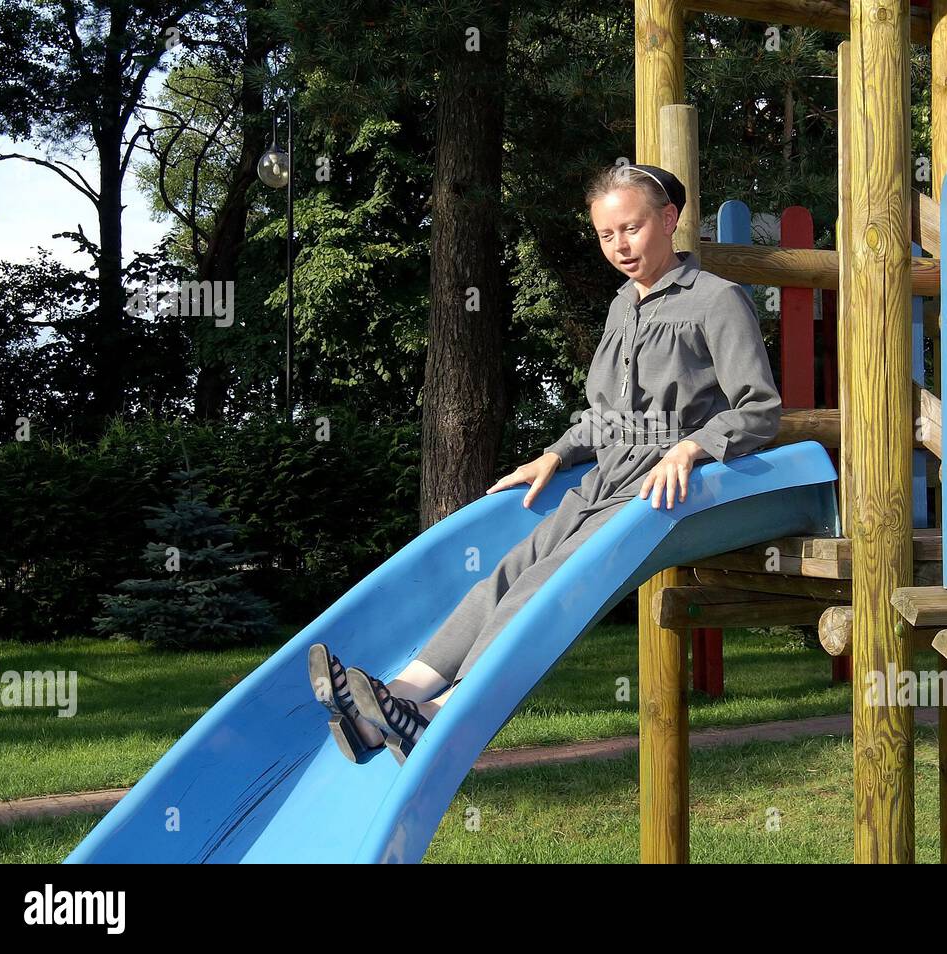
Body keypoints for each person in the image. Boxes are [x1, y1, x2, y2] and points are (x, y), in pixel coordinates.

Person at [309, 162, 783, 764]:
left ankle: (442, 714)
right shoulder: (621, 308)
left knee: (541, 582)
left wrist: (691, 447)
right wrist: (554, 455)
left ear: (668, 220)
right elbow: (605, 414)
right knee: (507, 571)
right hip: (604, 476)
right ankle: (392, 705)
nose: (620, 246)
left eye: (632, 229)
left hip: (666, 490)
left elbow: (759, 409)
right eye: (607, 235)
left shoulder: (717, 301)